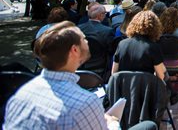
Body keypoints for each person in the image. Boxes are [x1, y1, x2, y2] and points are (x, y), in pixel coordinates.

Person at [4, 21, 156, 130]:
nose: (87, 41)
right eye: (84, 39)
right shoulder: (84, 102)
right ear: (74, 51)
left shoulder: (21, 93)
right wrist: (113, 123)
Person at [112, 10, 166, 80]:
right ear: (154, 27)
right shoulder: (153, 47)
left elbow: (114, 72)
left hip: (124, 87)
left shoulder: (121, 44)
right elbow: (161, 76)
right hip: (146, 88)